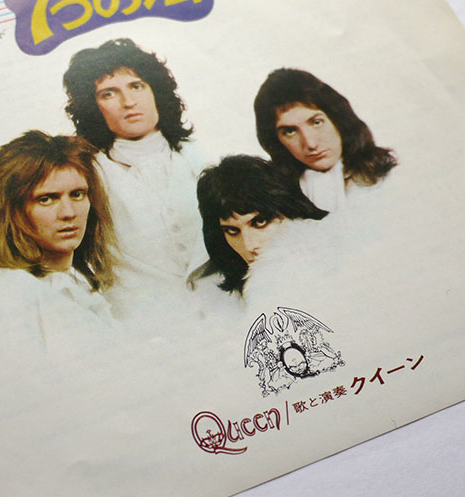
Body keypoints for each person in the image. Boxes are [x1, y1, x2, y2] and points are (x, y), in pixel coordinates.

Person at [63, 38, 206, 316]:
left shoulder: (200, 156)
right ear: (93, 106)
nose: (129, 102)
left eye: (136, 86)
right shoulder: (85, 173)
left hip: (224, 311)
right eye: (109, 93)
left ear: (156, 91)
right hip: (140, 322)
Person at [0, 131, 117, 350]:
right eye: (46, 199)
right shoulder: (13, 293)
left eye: (77, 194)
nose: (68, 213)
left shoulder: (78, 283)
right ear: (13, 211)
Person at [254, 68, 397, 212]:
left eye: (316, 122)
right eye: (290, 131)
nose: (310, 144)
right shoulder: (275, 200)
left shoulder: (391, 177)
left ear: (338, 119)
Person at [193, 155, 327, 295]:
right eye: (232, 231)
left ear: (291, 212)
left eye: (260, 222)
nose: (249, 246)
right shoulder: (215, 295)